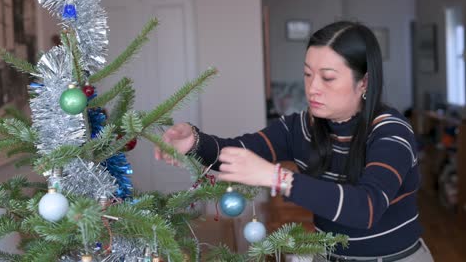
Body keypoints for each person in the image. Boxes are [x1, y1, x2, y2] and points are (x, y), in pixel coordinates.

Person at [154, 21, 434, 262]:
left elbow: (366, 208)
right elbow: (238, 151)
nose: (312, 88)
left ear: (364, 82)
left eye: (327, 78)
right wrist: (194, 142)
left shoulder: (391, 132)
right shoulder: (300, 127)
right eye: (308, 74)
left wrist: (276, 177)